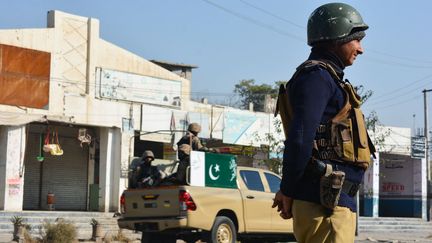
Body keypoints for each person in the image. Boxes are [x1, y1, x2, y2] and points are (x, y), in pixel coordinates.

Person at [272, 3, 375, 243]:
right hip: (324, 207)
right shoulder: (316, 77)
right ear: (337, 38)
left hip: (332, 204)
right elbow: (300, 138)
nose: (361, 49)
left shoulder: (327, 77)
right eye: (356, 40)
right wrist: (288, 189)